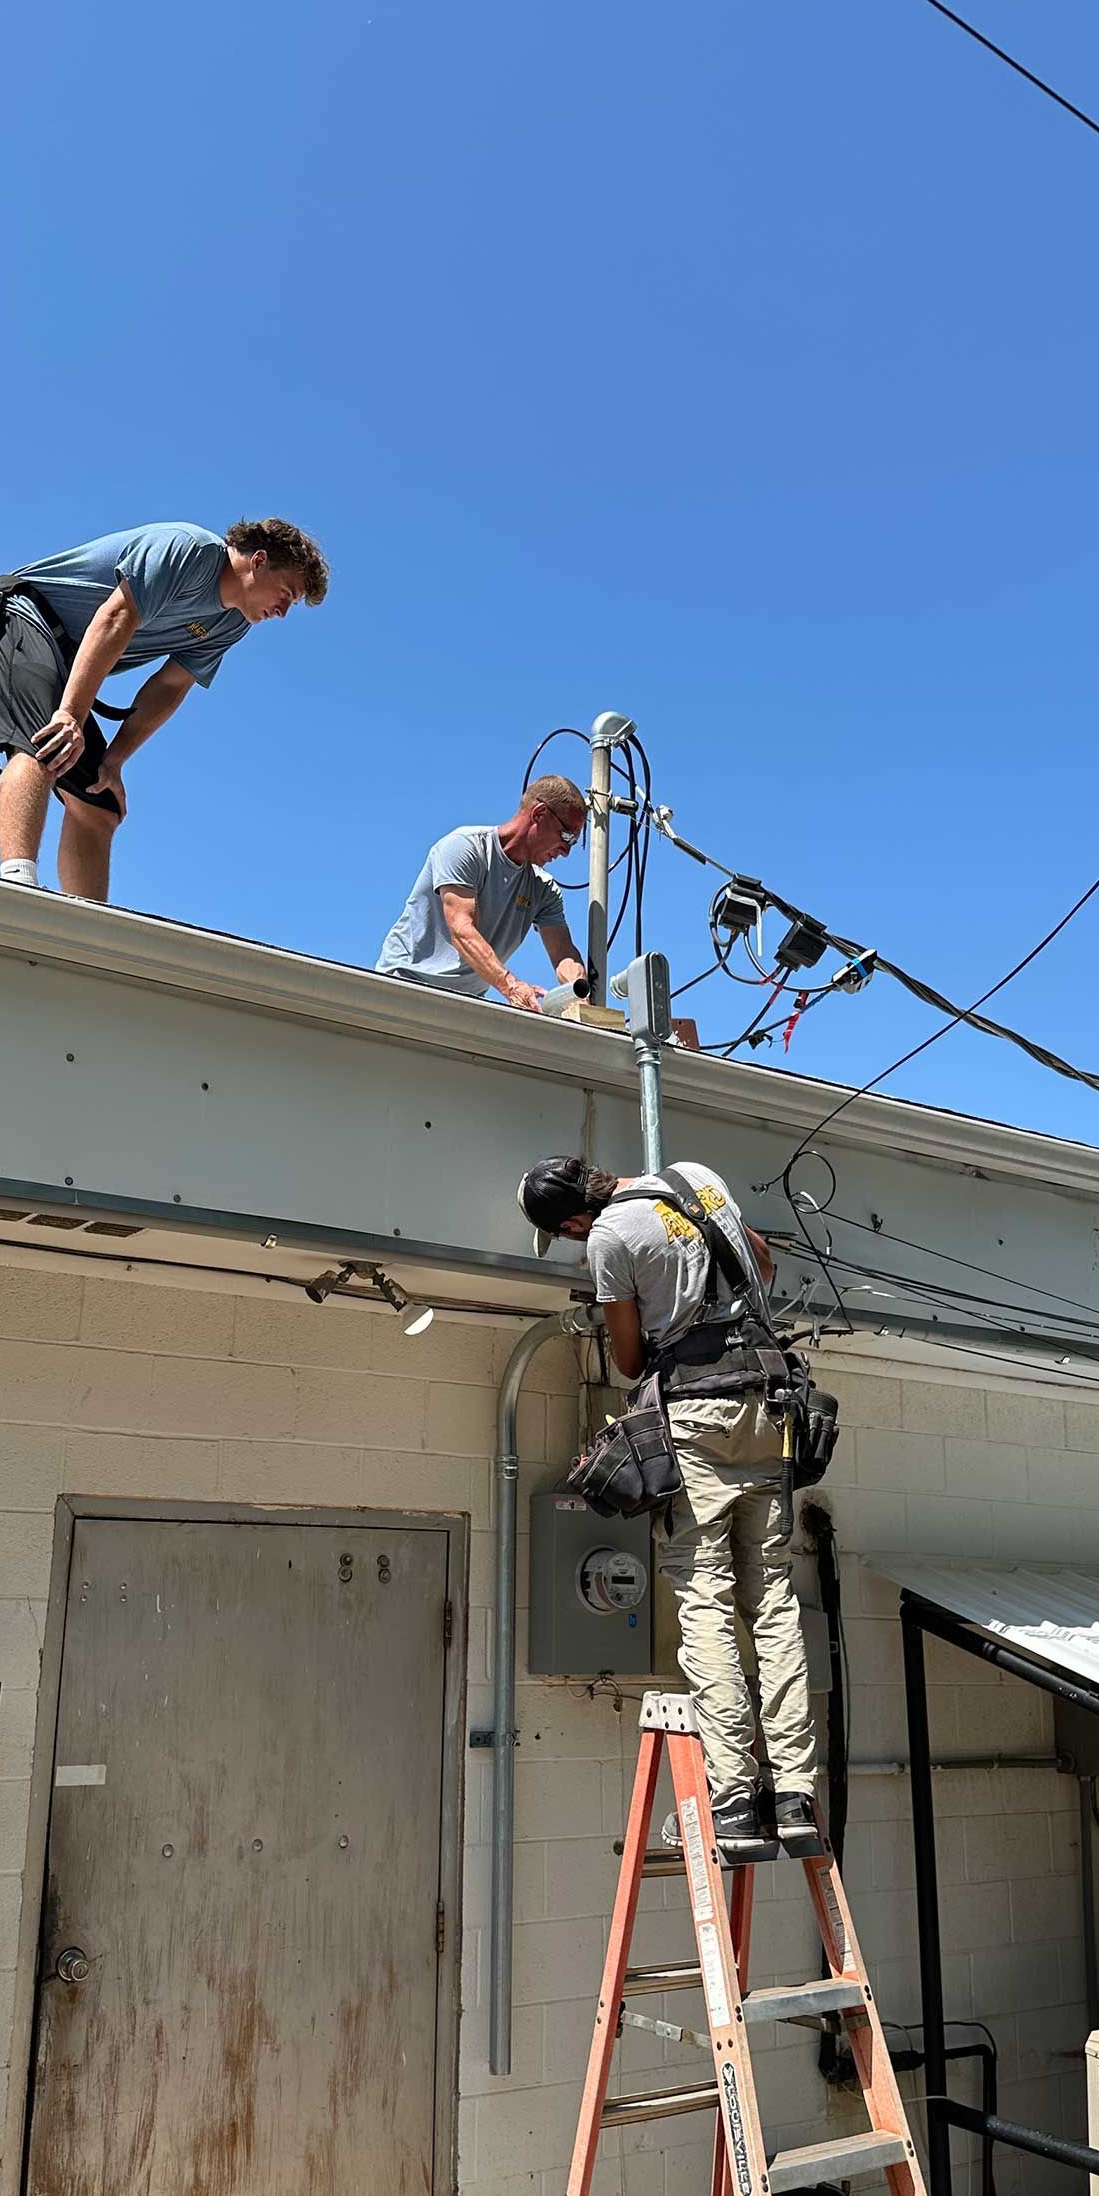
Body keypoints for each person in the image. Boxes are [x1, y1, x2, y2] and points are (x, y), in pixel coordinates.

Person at [516, 1152, 821, 1863]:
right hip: (768, 1403)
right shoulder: (696, 1176)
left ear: (570, 1220)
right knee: (772, 1596)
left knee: (706, 1594)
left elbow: (627, 1358)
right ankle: (796, 1795)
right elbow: (764, 1264)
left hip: (695, 1410)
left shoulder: (607, 1239)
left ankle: (739, 1798)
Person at [0, 518, 329, 904]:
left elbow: (170, 685)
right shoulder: (189, 552)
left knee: (101, 803)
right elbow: (116, 617)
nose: (283, 612)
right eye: (286, 593)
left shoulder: (232, 623)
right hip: (23, 615)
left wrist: (114, 760)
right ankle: (16, 888)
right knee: (50, 746)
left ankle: (88, 933)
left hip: (67, 658)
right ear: (259, 561)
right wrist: (69, 714)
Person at [376, 779, 588, 1010]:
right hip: (404, 985)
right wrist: (511, 985)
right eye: (567, 836)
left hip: (464, 1003)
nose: (566, 851)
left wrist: (577, 992)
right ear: (539, 813)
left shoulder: (543, 888)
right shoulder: (465, 848)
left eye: (574, 843)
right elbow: (462, 930)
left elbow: (564, 953)